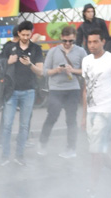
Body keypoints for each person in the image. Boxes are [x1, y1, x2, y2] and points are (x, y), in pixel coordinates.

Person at [81, 30, 111, 193]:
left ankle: (92, 187)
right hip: (92, 112)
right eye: (89, 42)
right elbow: (86, 89)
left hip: (108, 112)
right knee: (99, 150)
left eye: (95, 42)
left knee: (96, 151)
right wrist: (83, 115)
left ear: (103, 41)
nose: (92, 45)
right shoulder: (86, 61)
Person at [0, 21, 45, 166]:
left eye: (28, 34)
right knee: (7, 125)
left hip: (28, 91)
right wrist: (9, 61)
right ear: (18, 33)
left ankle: (20, 155)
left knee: (24, 126)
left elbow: (40, 72)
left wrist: (30, 64)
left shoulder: (36, 49)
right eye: (23, 34)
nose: (25, 37)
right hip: (11, 91)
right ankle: (5, 156)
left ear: (31, 33)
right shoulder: (9, 47)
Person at [38, 25, 86, 158]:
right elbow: (45, 71)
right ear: (61, 39)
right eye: (65, 41)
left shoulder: (81, 51)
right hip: (56, 89)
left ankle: (71, 148)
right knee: (52, 117)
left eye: (71, 41)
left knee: (71, 119)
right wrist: (57, 70)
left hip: (73, 89)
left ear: (75, 39)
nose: (68, 44)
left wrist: (73, 70)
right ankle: (43, 143)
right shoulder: (53, 51)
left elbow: (87, 70)